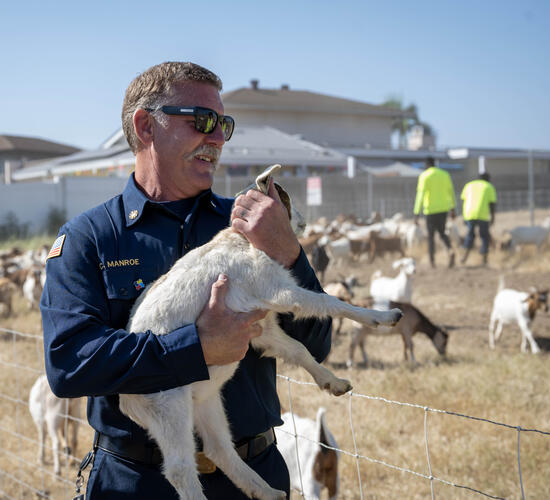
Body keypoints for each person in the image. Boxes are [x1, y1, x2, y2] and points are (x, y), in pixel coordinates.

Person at [40, 61, 332, 499]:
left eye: (224, 125)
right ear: (146, 127)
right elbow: (69, 363)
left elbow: (317, 343)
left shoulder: (249, 228)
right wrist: (194, 349)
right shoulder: (90, 239)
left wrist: (289, 251)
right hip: (138, 483)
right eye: (202, 121)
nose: (216, 138)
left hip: (254, 476)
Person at [413, 157, 457, 268]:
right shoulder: (444, 174)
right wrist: (453, 208)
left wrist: (416, 213)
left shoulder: (424, 176)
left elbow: (420, 195)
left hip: (430, 211)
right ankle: (450, 249)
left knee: (431, 236)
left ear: (426, 164)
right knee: (442, 233)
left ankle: (432, 261)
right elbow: (450, 192)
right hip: (443, 209)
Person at [459, 172, 497, 265]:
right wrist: (492, 217)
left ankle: (464, 257)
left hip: (469, 213)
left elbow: (463, 200)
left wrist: (464, 216)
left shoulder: (469, 185)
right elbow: (492, 204)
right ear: (488, 179)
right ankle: (484, 259)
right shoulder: (489, 186)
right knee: (484, 236)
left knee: (470, 235)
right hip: (482, 214)